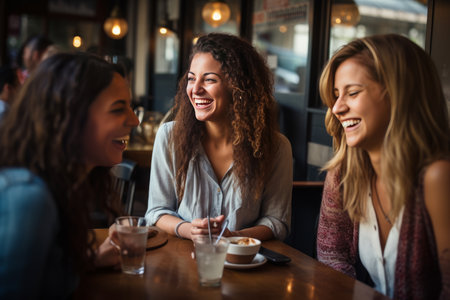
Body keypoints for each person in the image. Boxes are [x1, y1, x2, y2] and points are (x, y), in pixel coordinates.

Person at [316, 34, 449, 299]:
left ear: (400, 94)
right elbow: (332, 256)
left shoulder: (438, 176)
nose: (337, 107)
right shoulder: (344, 172)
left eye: (353, 93)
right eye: (335, 95)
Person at [0, 52, 139, 298]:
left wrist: (88, 261)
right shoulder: (29, 198)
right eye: (119, 109)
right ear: (70, 118)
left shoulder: (62, 183)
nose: (134, 120)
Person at [145, 33, 293, 241]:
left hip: (246, 262)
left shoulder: (276, 148)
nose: (195, 89)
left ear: (240, 87)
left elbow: (277, 221)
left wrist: (234, 237)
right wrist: (190, 230)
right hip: (180, 260)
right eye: (191, 78)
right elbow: (156, 211)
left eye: (209, 80)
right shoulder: (169, 136)